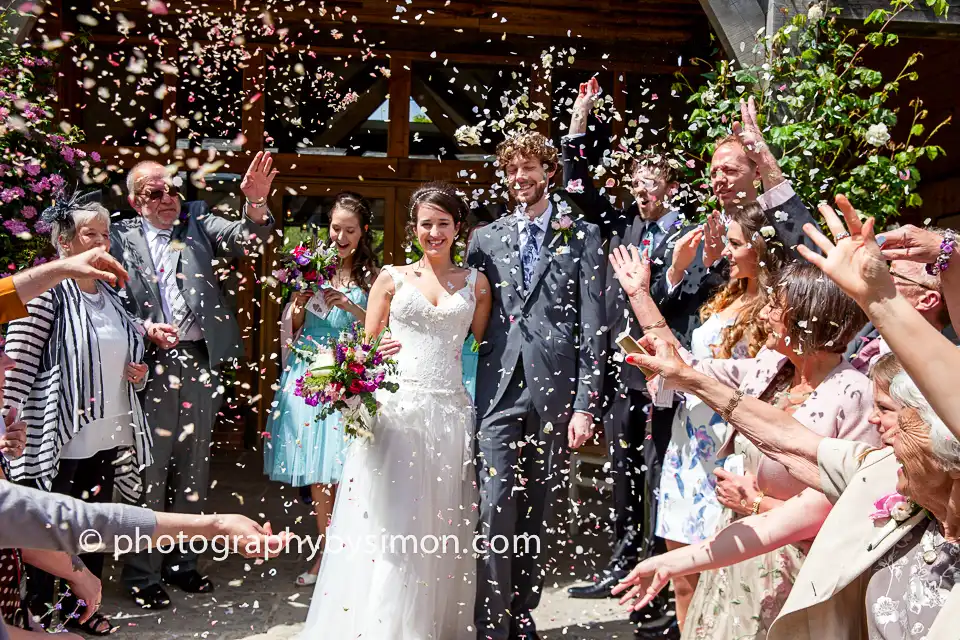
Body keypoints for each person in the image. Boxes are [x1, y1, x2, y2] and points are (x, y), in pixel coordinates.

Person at [610, 246, 880, 639]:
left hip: (801, 570)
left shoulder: (854, 394)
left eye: (778, 306)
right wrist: (640, 296)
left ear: (809, 318)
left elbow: (842, 510)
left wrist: (753, 503)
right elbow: (686, 368)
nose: (767, 313)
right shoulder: (773, 368)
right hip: (740, 550)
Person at [615, 342, 960, 639]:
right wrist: (690, 379)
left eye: (886, 410)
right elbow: (787, 440)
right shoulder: (880, 473)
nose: (873, 421)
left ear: (940, 433)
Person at [298, 182, 492, 639]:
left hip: (449, 414)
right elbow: (364, 354)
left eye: (443, 223)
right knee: (390, 524)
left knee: (441, 525)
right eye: (426, 223)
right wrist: (361, 371)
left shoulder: (476, 285)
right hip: (395, 415)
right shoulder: (390, 277)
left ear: (458, 228)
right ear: (414, 228)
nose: (434, 232)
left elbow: (479, 347)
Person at [111, 153, 277, 609]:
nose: (168, 199)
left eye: (173, 189)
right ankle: (142, 572)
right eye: (155, 193)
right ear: (134, 200)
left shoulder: (198, 223)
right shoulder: (118, 236)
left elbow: (249, 239)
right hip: (146, 364)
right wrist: (140, 331)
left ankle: (182, 563)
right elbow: (102, 295)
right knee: (150, 469)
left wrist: (257, 205)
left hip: (198, 361)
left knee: (193, 469)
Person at [468, 131, 604, 640]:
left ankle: (522, 612)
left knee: (536, 507)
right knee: (495, 500)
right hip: (496, 388)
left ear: (549, 171)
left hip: (555, 391)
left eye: (529, 168)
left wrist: (586, 404)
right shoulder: (485, 238)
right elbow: (471, 313)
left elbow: (594, 326)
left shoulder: (582, 234)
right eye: (511, 171)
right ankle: (491, 621)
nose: (519, 178)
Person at [2, 194, 158, 635]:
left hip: (109, 432)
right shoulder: (46, 292)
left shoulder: (110, 291)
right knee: (50, 527)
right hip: (59, 437)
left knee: (92, 528)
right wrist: (8, 427)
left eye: (107, 234)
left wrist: (139, 372)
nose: (103, 241)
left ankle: (80, 612)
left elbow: (127, 352)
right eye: (92, 233)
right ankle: (34, 615)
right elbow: (16, 363)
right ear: (66, 242)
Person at [654, 203, 783, 630]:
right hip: (687, 439)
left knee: (719, 572)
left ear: (762, 249)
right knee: (681, 572)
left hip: (728, 440)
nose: (725, 253)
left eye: (734, 244)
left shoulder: (776, 308)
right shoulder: (725, 292)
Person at [264, 192, 380, 586]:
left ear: (363, 232)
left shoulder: (375, 277)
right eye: (335, 228)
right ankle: (327, 552)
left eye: (349, 229)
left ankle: (359, 552)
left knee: (357, 467)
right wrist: (297, 301)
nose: (341, 236)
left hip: (352, 375)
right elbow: (292, 329)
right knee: (320, 474)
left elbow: (382, 331)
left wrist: (351, 307)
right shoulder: (310, 269)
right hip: (310, 374)